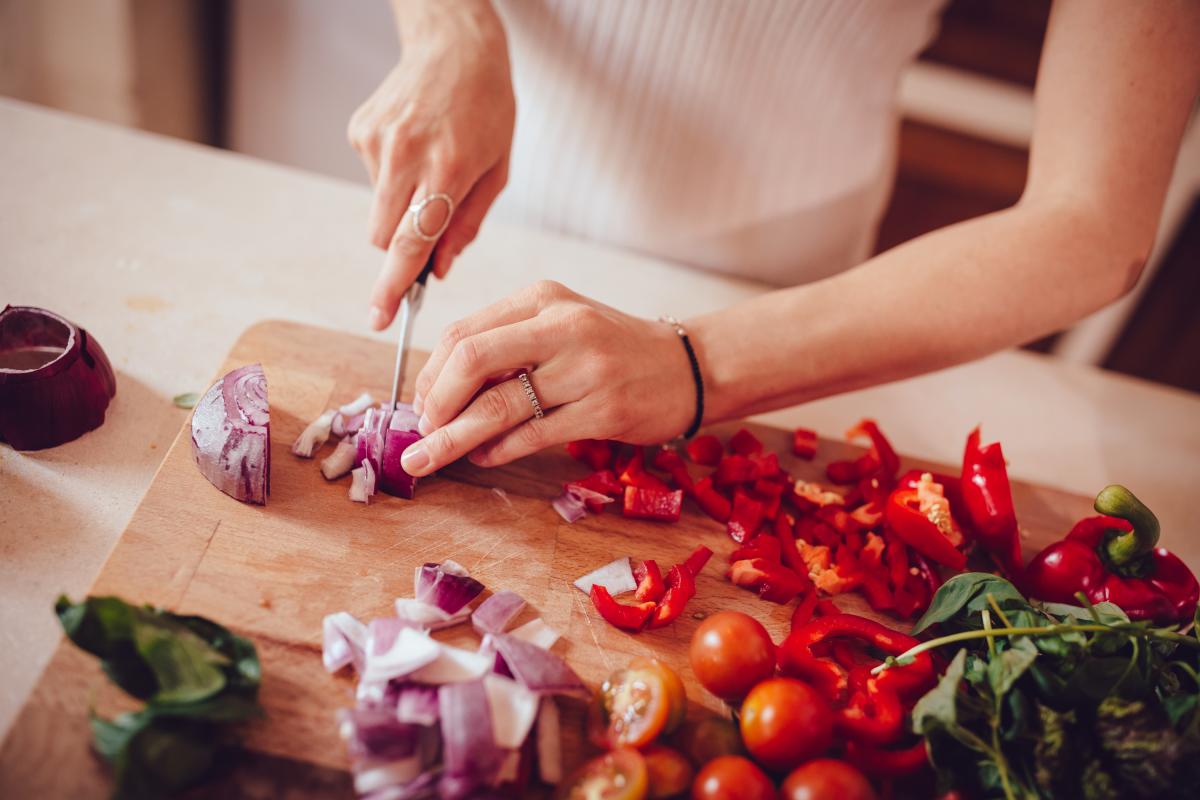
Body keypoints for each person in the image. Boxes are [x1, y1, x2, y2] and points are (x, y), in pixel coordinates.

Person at [346, 0, 1200, 481]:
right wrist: (451, 28)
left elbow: (1091, 224)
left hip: (775, 301)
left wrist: (698, 363)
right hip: (494, 196)